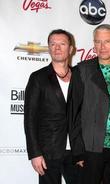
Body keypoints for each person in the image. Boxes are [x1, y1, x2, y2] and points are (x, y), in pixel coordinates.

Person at [68, 24, 110, 184]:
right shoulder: (82, 70)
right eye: (98, 42)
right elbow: (73, 113)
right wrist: (78, 151)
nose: (102, 47)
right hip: (92, 148)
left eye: (107, 41)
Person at [24, 29, 82, 184]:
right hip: (48, 150)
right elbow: (30, 119)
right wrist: (35, 153)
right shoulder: (38, 78)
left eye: (62, 44)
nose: (57, 48)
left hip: (77, 151)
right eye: (53, 44)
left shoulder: (80, 76)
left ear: (70, 49)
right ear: (49, 48)